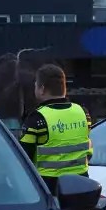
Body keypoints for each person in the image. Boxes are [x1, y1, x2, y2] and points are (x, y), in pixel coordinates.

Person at [19, 64, 92, 194]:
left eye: (36, 85)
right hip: (81, 187)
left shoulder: (37, 119)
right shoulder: (83, 113)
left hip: (48, 190)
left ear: (41, 89)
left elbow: (24, 158)